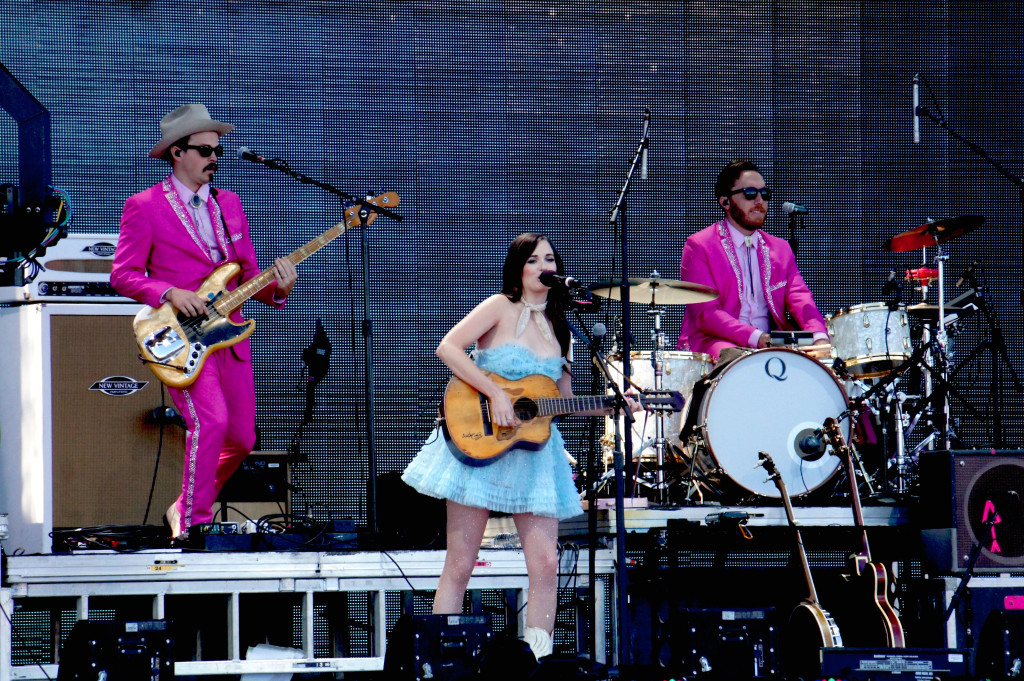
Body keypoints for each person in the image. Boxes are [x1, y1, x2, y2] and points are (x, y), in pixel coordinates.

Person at [402, 233, 635, 661]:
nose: (544, 265)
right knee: (461, 562)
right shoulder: (498, 306)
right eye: (534, 259)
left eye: (550, 258)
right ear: (519, 268)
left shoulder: (562, 327)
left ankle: (536, 661)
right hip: (481, 440)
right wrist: (495, 393)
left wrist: (611, 405)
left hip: (535, 454)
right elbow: (448, 348)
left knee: (546, 564)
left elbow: (560, 401)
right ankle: (441, 661)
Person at [111, 103, 298, 538]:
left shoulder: (229, 204)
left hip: (228, 337)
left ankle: (182, 506)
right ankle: (193, 526)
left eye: (218, 150)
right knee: (209, 422)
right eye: (204, 150)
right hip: (181, 336)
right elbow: (122, 273)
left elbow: (249, 274)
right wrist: (170, 292)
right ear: (177, 153)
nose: (215, 158)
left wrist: (279, 288)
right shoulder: (144, 206)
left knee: (241, 439)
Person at [676, 159, 829, 360]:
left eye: (764, 194)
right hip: (714, 342)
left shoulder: (780, 248)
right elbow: (706, 314)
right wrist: (756, 338)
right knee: (734, 358)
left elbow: (800, 297)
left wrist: (818, 337)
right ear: (725, 201)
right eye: (750, 193)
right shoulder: (699, 245)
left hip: (771, 346)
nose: (759, 200)